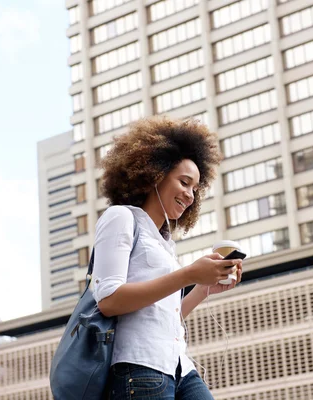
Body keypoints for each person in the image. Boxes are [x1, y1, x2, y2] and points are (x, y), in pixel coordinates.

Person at [92, 116, 242, 400]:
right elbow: (109, 301)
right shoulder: (121, 218)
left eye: (195, 189)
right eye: (184, 183)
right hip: (140, 369)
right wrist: (188, 275)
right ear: (155, 174)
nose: (189, 195)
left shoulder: (164, 242)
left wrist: (204, 287)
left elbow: (165, 317)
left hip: (180, 368)